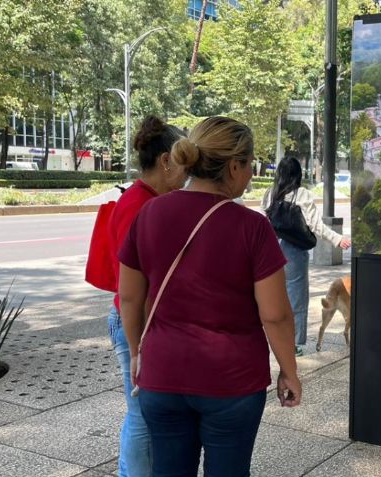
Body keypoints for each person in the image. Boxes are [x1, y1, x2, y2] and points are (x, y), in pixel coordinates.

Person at [118, 116, 301, 476]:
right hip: (231, 381)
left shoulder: (149, 213)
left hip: (162, 374)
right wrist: (289, 371)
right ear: (234, 166)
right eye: (250, 165)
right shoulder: (252, 227)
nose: (250, 174)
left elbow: (128, 298)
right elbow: (275, 314)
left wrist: (138, 352)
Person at [107, 116, 187, 477]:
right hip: (134, 321)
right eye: (183, 164)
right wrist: (139, 346)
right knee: (141, 414)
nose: (187, 176)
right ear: (166, 161)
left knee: (143, 412)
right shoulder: (141, 206)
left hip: (138, 319)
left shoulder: (142, 200)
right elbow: (131, 291)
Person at [262, 155, 351, 356]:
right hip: (294, 252)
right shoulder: (302, 194)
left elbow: (263, 222)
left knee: (274, 297)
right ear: (298, 174)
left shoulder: (270, 193)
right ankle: (293, 344)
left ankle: (275, 339)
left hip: (272, 250)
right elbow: (315, 226)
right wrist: (338, 239)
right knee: (297, 299)